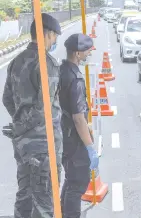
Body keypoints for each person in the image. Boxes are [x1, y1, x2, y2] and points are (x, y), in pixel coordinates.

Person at [2, 13, 62, 218]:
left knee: (25, 196)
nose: (54, 41)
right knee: (44, 200)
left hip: (22, 145)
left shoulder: (16, 61)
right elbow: (44, 106)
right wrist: (26, 126)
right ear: (47, 34)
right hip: (43, 145)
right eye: (54, 36)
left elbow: (7, 99)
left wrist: (19, 123)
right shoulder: (47, 64)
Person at [59, 34, 99, 218]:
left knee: (71, 180)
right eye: (87, 52)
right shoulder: (75, 78)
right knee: (78, 184)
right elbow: (78, 118)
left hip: (65, 134)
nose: (88, 55)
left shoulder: (62, 70)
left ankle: (60, 213)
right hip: (74, 139)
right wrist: (90, 146)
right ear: (77, 53)